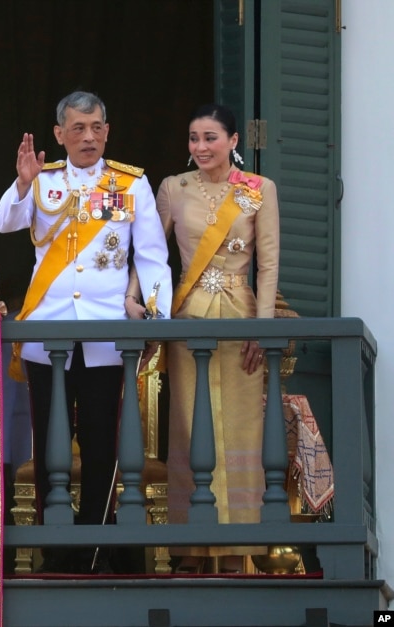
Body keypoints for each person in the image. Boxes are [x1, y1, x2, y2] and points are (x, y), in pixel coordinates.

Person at [0, 90, 173, 573]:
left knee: (99, 441)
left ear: (107, 130)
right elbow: (4, 222)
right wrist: (22, 183)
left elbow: (152, 255)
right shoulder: (43, 180)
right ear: (59, 134)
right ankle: (57, 543)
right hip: (47, 332)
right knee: (50, 440)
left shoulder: (130, 184)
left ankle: (96, 544)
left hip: (105, 334)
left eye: (96, 128)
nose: (88, 137)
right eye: (78, 128)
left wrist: (153, 314)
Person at [155, 103, 280, 574]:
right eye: (193, 138)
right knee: (190, 428)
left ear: (233, 141)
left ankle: (236, 550)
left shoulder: (259, 191)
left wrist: (262, 328)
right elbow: (151, 254)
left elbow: (267, 265)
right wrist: (138, 299)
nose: (201, 147)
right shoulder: (173, 188)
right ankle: (191, 548)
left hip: (240, 319)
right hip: (188, 317)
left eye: (210, 137)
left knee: (241, 431)